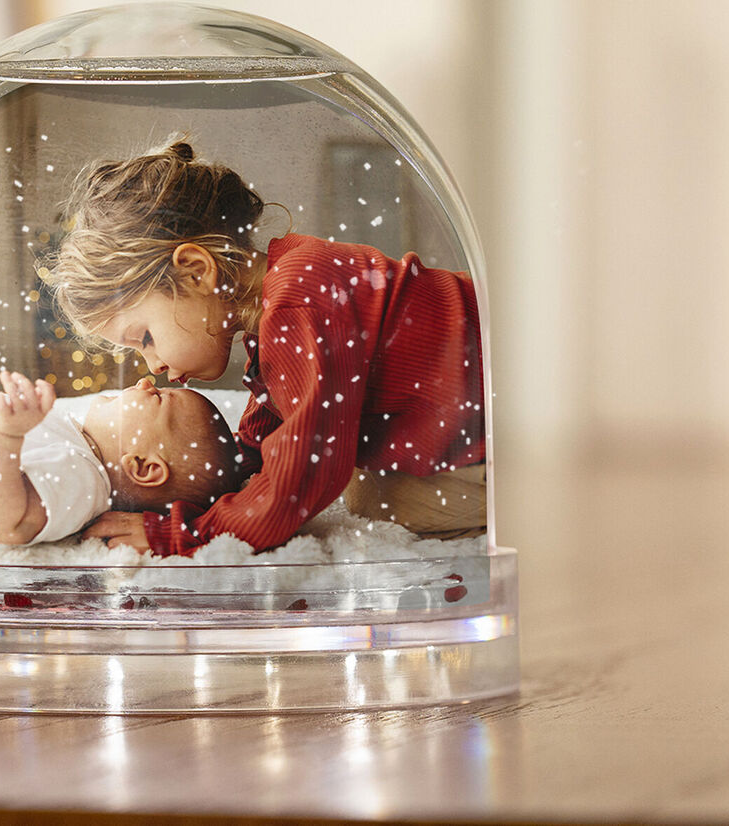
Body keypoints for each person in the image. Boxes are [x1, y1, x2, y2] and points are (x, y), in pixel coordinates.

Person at [44, 139, 486, 556]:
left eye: (145, 338)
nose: (153, 366)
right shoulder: (275, 310)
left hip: (509, 414)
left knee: (377, 499)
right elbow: (260, 451)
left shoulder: (299, 301)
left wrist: (178, 535)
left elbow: (301, 478)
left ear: (196, 271)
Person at [0, 339, 241, 545]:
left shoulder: (82, 482)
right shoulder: (70, 436)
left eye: (157, 398)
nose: (145, 382)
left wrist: (6, 435)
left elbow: (0, 521)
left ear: (143, 467)